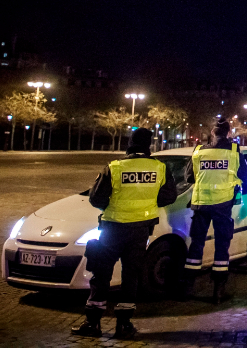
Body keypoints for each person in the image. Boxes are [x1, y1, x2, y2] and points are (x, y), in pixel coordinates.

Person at [71, 128, 177, 339]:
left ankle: (92, 323)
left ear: (130, 144)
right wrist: (147, 203)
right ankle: (124, 325)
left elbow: (96, 198)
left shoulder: (115, 167)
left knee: (101, 273)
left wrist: (114, 207)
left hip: (113, 228)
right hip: (140, 230)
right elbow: (169, 196)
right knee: (131, 275)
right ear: (149, 145)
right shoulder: (160, 168)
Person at [183, 118, 247, 303]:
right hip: (223, 204)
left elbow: (189, 177)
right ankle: (218, 292)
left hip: (201, 204)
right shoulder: (234, 151)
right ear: (228, 133)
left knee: (196, 244)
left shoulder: (199, 151)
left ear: (212, 132)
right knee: (222, 246)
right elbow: (245, 176)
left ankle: (188, 288)